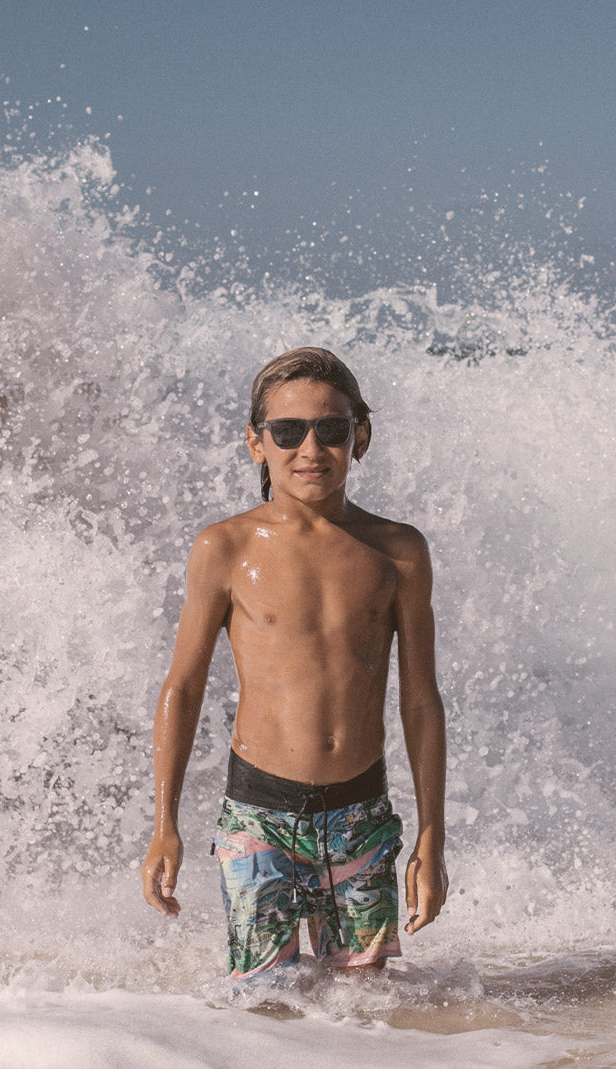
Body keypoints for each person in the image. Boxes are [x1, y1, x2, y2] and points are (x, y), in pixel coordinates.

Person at [140, 346, 447, 980]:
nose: (311, 449)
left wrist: (430, 837)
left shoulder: (398, 552)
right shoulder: (224, 547)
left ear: (359, 437)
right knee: (264, 1001)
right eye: (288, 431)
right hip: (260, 814)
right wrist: (164, 824)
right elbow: (183, 688)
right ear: (257, 444)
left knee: (365, 1007)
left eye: (331, 429)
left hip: (361, 815)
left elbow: (420, 701)